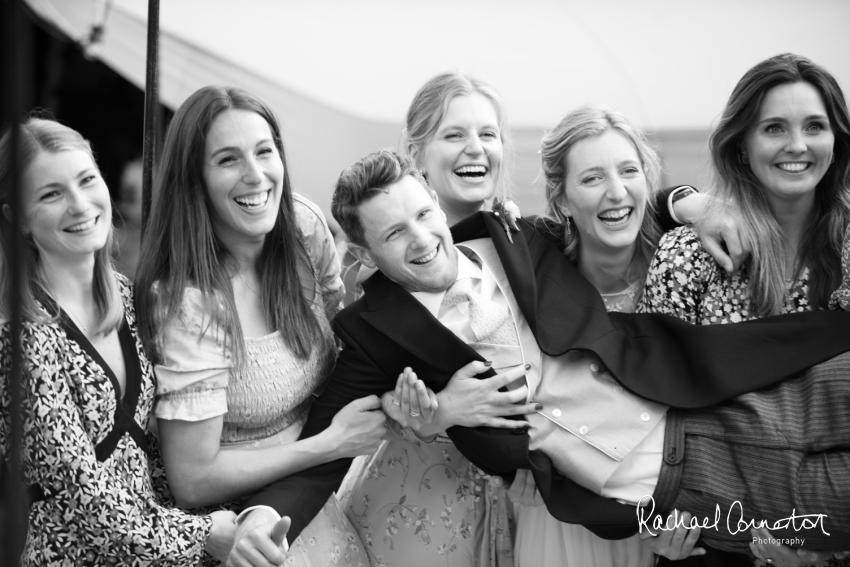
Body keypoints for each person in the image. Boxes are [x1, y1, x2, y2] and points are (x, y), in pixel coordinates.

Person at [230, 149, 850, 566]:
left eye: (424, 214)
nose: (422, 238)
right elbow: (325, 445)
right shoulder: (371, 333)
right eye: (395, 234)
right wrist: (263, 518)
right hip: (668, 485)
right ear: (365, 256)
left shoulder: (516, 235)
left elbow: (611, 202)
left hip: (713, 394)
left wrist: (688, 200)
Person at [133, 86, 385, 566]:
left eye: (264, 151)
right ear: (195, 181)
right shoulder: (189, 302)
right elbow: (193, 479)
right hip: (237, 526)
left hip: (317, 490)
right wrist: (327, 443)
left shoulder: (305, 231)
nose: (256, 175)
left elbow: (348, 347)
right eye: (228, 160)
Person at [640, 53, 850, 566]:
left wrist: (827, 553)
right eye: (774, 128)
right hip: (706, 544)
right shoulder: (689, 254)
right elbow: (645, 402)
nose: (797, 145)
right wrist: (654, 520)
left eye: (815, 127)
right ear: (742, 147)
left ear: (837, 141)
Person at [0, 117, 236, 565]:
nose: (79, 204)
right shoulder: (19, 339)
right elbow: (82, 499)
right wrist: (204, 534)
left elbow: (148, 451)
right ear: (18, 219)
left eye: (87, 180)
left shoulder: (126, 296)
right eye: (51, 194)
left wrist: (222, 509)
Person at [509, 104, 665, 567]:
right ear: (561, 200)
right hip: (558, 524)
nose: (616, 193)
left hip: (657, 521)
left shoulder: (681, 270)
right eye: (592, 178)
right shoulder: (533, 282)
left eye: (628, 171)